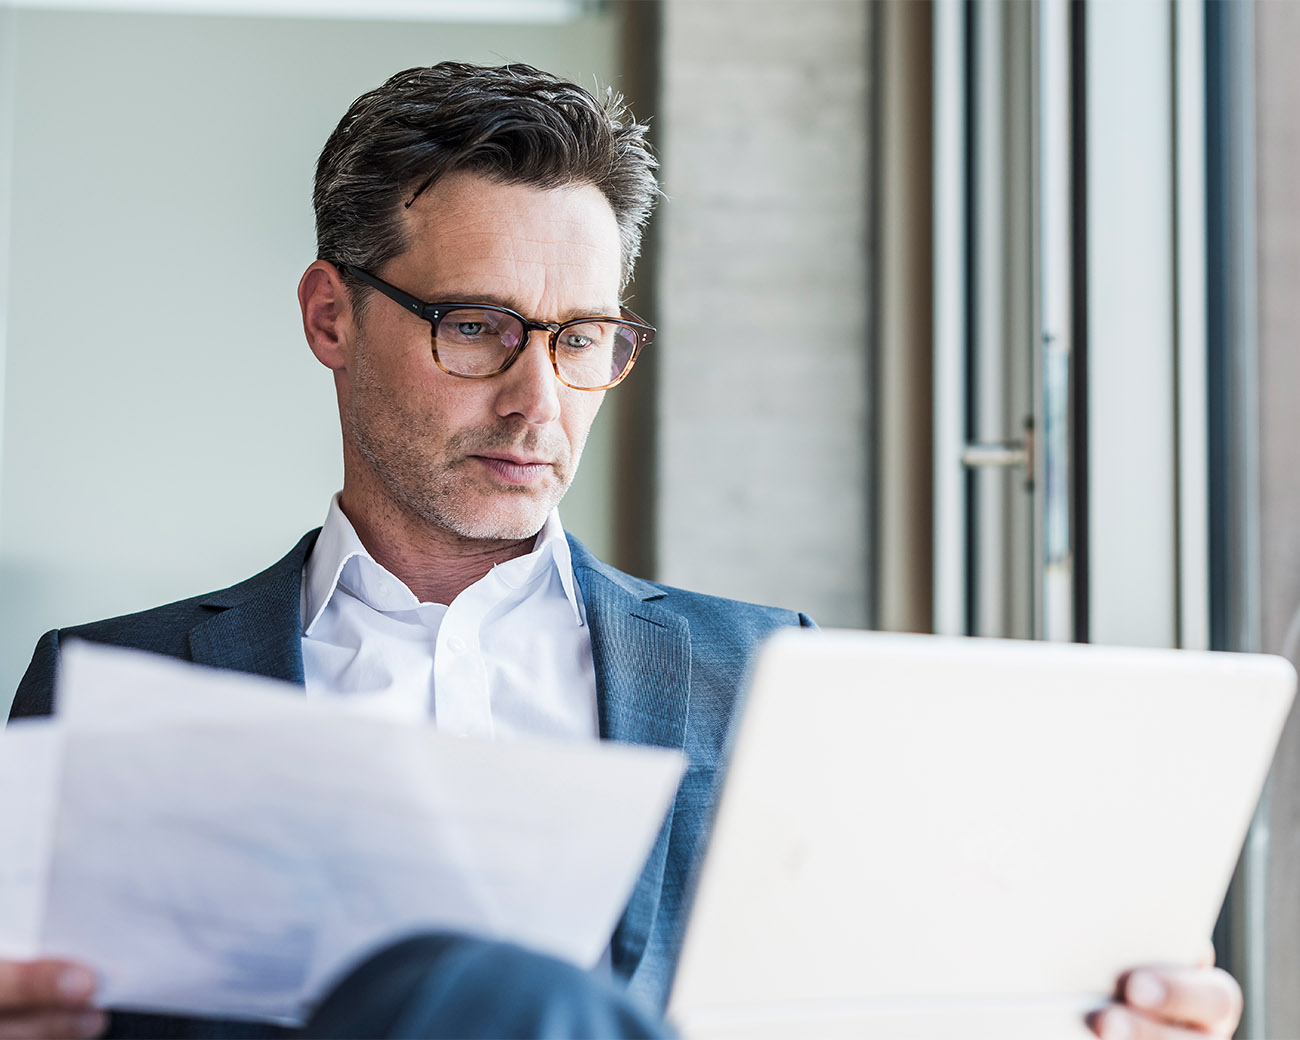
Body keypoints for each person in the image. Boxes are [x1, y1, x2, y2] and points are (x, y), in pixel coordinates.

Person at [5, 63, 1241, 1040]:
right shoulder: (113, 683)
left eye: (585, 337)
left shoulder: (764, 673)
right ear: (333, 315)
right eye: (479, 327)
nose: (540, 404)